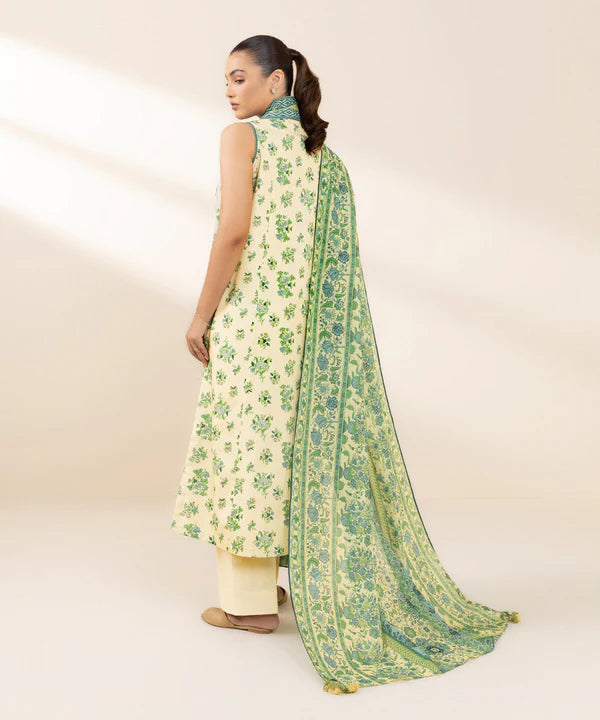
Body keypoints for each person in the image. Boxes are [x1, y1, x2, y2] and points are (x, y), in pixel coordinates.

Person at [171, 35, 520, 694]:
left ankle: (248, 606)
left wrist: (201, 315)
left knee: (248, 451)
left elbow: (234, 232)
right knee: (289, 452)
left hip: (252, 324)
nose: (229, 90)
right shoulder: (322, 158)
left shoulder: (241, 138)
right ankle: (290, 581)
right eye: (227, 79)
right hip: (306, 335)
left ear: (276, 83)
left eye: (240, 77)